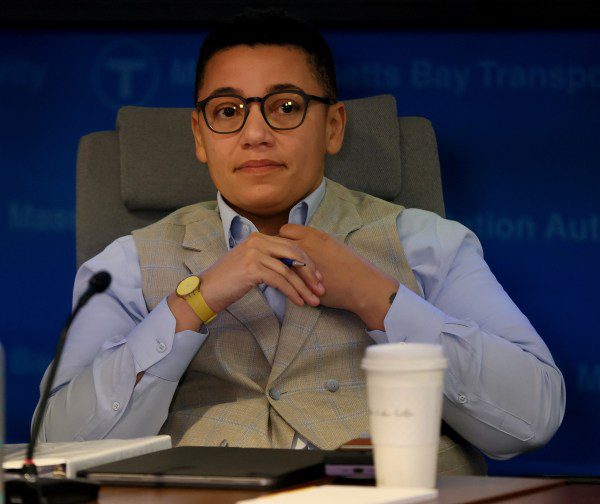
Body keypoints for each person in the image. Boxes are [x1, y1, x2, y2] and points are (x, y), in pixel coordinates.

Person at [36, 10, 565, 474]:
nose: (255, 133)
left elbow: (532, 419)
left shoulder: (425, 242)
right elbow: (57, 444)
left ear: (333, 126)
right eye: (227, 111)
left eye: (285, 107)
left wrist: (375, 297)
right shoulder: (125, 265)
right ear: (200, 137)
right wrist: (195, 301)